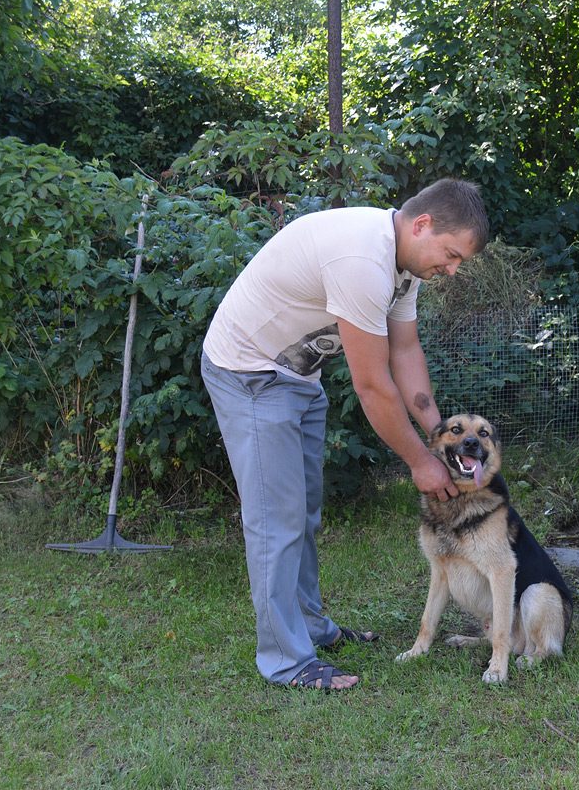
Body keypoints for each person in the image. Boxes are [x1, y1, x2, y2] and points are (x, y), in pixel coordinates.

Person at [200, 179, 489, 691]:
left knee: (303, 510)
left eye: (459, 261)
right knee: (275, 519)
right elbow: (374, 386)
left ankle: (310, 627)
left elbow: (404, 354)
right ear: (421, 225)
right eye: (450, 254)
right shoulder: (362, 259)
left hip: (295, 377)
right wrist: (421, 464)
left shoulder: (403, 266)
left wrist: (441, 436)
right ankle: (286, 661)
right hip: (248, 372)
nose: (452, 269)